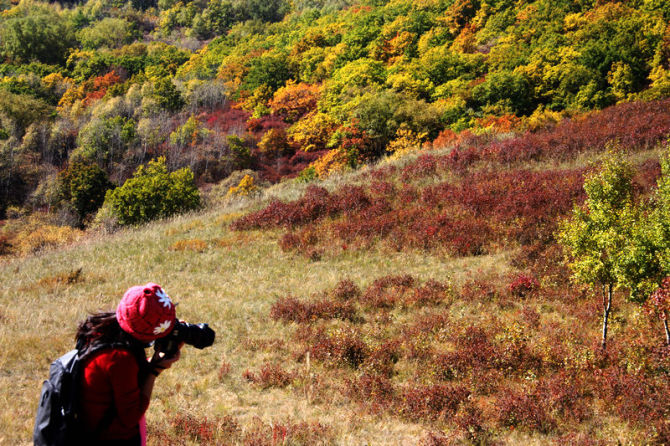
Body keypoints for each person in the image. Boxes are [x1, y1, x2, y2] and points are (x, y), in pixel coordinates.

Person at [75, 283, 182, 446]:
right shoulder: (120, 358)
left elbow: (120, 379)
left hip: (88, 429)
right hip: (110, 438)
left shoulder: (103, 329)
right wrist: (155, 370)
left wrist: (151, 363)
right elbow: (131, 417)